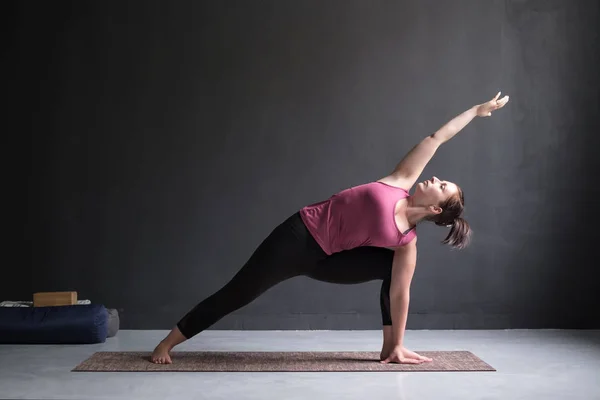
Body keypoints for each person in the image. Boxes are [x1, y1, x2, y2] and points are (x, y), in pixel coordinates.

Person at [151, 92, 510, 365]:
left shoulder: (406, 242)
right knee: (238, 293)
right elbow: (436, 138)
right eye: (443, 179)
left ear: (435, 208)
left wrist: (399, 340)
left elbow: (401, 295)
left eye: (443, 185)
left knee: (395, 271)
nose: (436, 178)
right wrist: (476, 113)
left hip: (328, 260)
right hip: (297, 237)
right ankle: (166, 344)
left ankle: (392, 348)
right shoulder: (400, 181)